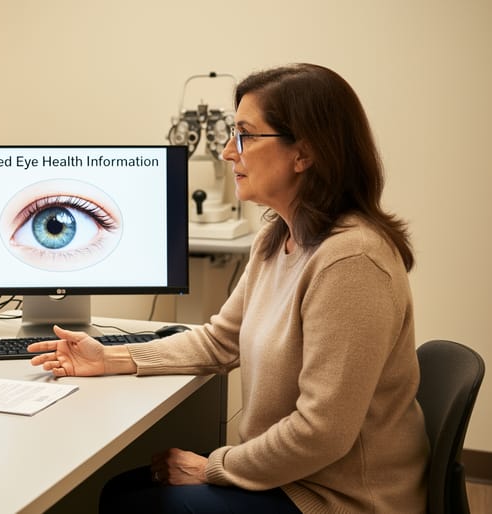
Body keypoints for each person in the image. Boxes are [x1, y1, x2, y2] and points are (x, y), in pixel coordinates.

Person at [28, 63, 428, 513]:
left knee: (138, 505)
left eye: (244, 136)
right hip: (291, 477)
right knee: (119, 491)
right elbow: (221, 340)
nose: (226, 152)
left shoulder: (351, 260)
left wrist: (213, 468)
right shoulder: (278, 237)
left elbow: (322, 433)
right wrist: (110, 358)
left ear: (304, 153)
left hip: (337, 498)